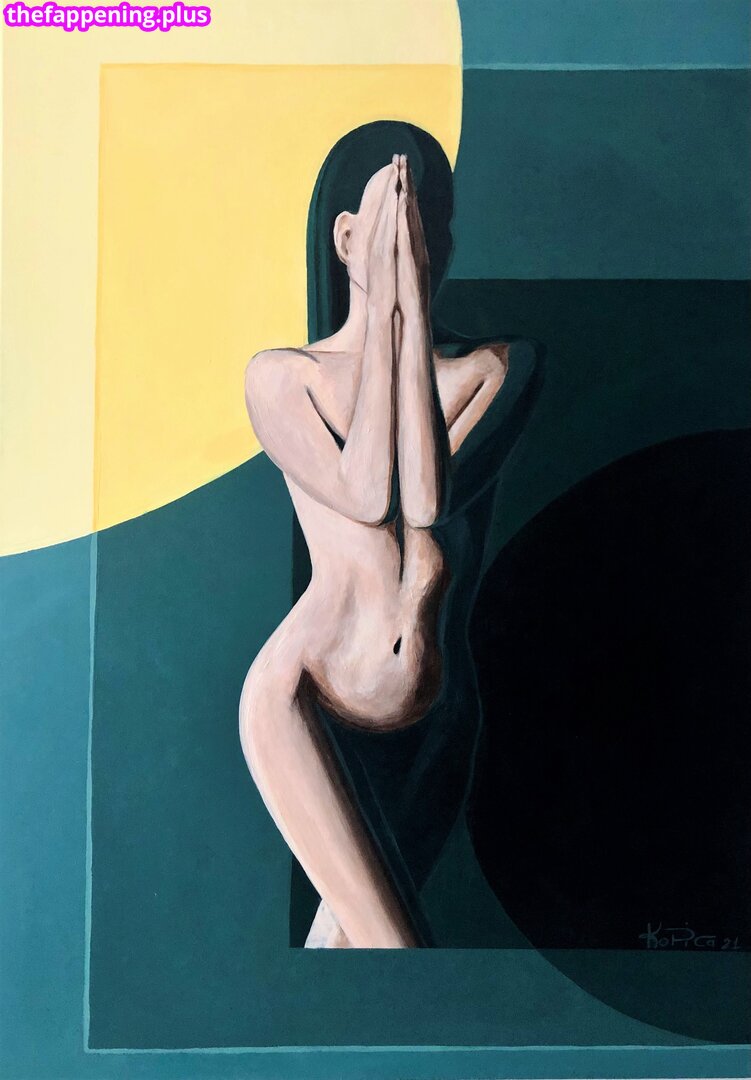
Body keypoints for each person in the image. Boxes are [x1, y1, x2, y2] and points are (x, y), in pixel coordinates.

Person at [239, 146, 541, 948]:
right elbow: (370, 494)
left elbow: (426, 500)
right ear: (346, 237)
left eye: (432, 224)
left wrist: (406, 324)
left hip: (437, 704)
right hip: (303, 694)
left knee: (354, 960)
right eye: (398, 222)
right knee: (389, 952)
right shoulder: (283, 378)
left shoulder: (495, 368)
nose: (418, 243)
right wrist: (383, 318)